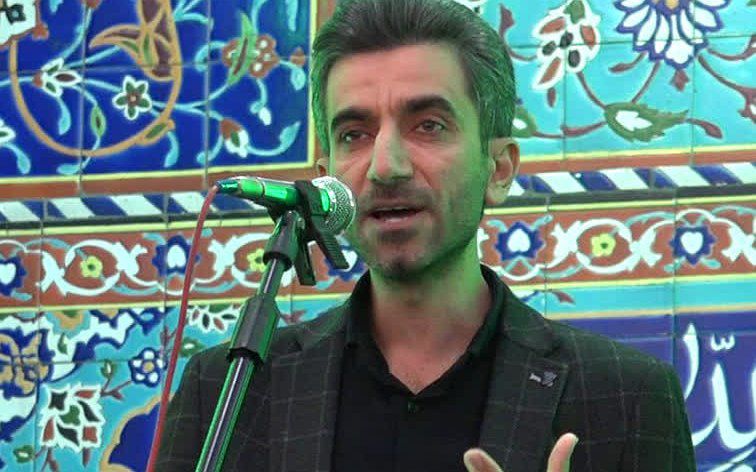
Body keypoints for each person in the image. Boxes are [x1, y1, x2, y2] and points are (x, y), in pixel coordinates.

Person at [156, 0, 696, 470]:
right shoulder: (227, 392)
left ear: (499, 169)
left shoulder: (623, 395)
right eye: (355, 134)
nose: (385, 165)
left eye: (428, 125)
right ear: (326, 178)